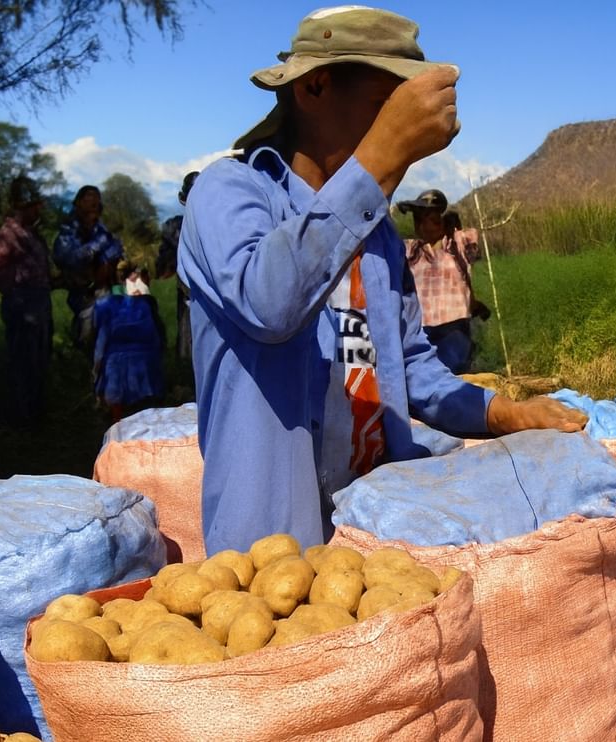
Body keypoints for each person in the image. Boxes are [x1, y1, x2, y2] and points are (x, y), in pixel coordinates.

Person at [178, 5, 586, 552]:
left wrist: (501, 413)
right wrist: (380, 158)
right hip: (272, 539)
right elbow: (268, 306)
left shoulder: (378, 236)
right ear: (315, 86)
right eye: (382, 107)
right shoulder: (230, 191)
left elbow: (411, 365)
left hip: (370, 527)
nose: (395, 128)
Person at [399, 191, 486, 373]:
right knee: (425, 375)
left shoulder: (456, 247)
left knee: (454, 374)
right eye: (418, 219)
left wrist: (454, 229)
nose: (422, 225)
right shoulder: (412, 250)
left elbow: (472, 245)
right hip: (422, 328)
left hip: (453, 326)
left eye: (430, 219)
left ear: (441, 223)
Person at [0, 176, 53, 426]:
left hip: (39, 300)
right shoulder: (9, 233)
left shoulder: (31, 232)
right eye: (33, 205)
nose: (38, 209)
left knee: (39, 357)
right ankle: (22, 416)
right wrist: (17, 295)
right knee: (23, 360)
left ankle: (35, 412)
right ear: (22, 206)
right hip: (22, 302)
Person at [93, 259, 166, 422]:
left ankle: (118, 430)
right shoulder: (145, 305)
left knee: (117, 410)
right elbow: (157, 340)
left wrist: (96, 374)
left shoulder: (103, 306)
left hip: (117, 369)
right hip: (147, 367)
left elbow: (100, 344)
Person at [53, 185, 124, 352]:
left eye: (96, 199)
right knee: (86, 337)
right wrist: (96, 245)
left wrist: (119, 294)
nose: (93, 202)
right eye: (88, 198)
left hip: (106, 293)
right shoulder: (67, 232)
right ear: (78, 203)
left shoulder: (103, 230)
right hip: (83, 296)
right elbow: (66, 258)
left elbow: (116, 265)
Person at [156, 171, 200, 362]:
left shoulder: (221, 225)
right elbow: (162, 267)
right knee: (187, 338)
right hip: (188, 295)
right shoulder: (174, 228)